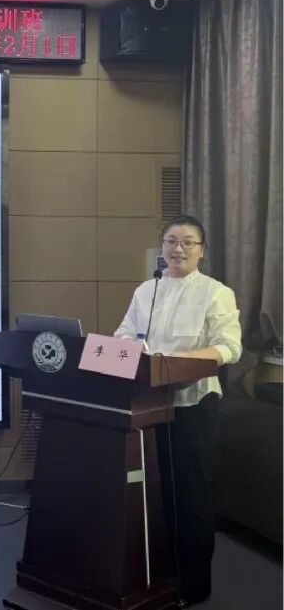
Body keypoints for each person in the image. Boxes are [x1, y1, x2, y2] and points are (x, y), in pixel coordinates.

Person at [114, 214, 242, 607]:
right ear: (162, 247)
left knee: (190, 496)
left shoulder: (216, 293)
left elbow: (229, 347)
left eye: (188, 242)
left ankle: (193, 586)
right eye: (171, 241)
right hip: (148, 405)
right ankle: (156, 578)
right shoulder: (146, 291)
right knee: (153, 494)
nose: (178, 249)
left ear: (202, 251)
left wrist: (176, 363)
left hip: (193, 405)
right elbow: (123, 335)